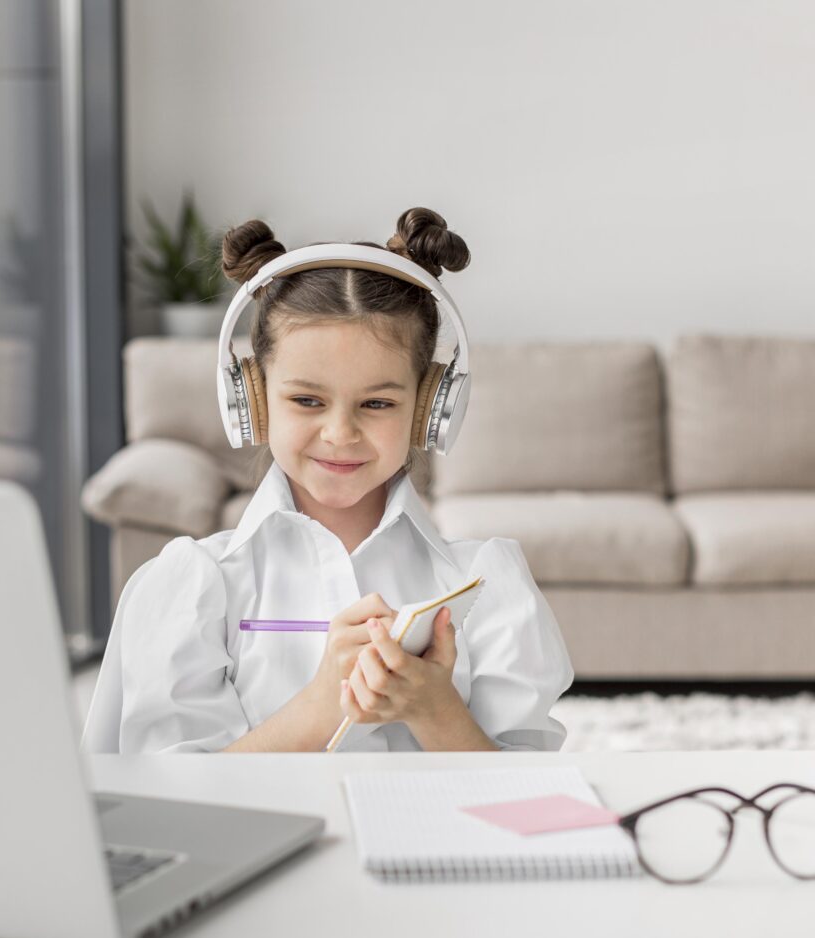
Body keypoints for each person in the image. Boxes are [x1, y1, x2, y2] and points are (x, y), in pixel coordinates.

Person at [100, 206, 573, 753]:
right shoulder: (201, 584)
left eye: (377, 402)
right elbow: (180, 804)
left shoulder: (487, 584)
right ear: (252, 399)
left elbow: (526, 796)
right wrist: (324, 703)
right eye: (306, 400)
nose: (340, 432)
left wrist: (435, 710)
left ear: (427, 409)